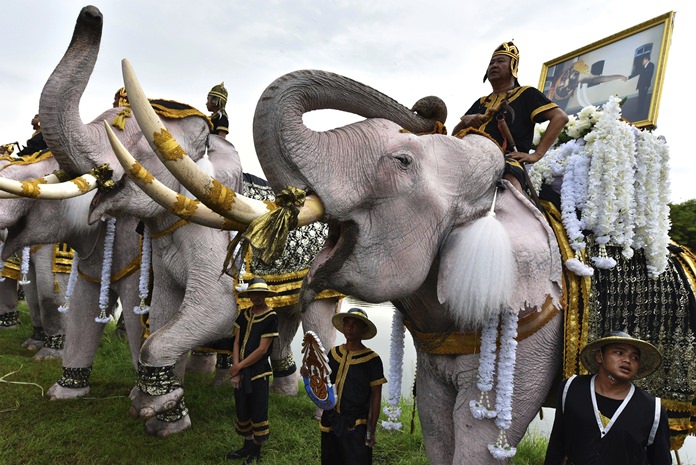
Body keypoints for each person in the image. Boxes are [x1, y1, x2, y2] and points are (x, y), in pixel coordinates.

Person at [452, 41, 568, 193]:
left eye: (500, 61)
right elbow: (455, 135)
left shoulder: (526, 94)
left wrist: (537, 154)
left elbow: (560, 117)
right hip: (469, 159)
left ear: (513, 67)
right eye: (491, 63)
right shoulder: (481, 102)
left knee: (510, 184)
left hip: (506, 159)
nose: (494, 65)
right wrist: (465, 121)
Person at [543, 331, 671, 465]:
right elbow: (557, 442)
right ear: (600, 357)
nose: (628, 360)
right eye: (619, 353)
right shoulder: (572, 388)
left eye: (635, 357)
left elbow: (661, 459)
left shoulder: (651, 409)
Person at [311, 307, 387, 465]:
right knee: (331, 458)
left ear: (364, 329)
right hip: (331, 419)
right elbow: (324, 383)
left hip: (356, 424)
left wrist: (371, 429)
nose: (350, 328)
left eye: (355, 324)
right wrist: (309, 374)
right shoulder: (333, 353)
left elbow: (376, 396)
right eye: (347, 323)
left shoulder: (372, 360)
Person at [226, 277, 279, 464]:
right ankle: (246, 445)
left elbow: (263, 349)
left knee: (258, 408)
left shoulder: (271, 317)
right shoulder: (244, 313)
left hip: (259, 371)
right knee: (242, 407)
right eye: (253, 293)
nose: (256, 297)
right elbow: (237, 342)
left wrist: (238, 366)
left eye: (260, 294)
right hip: (241, 370)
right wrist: (236, 369)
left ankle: (256, 450)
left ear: (265, 295)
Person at [628, 54, 655, 120]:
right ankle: (638, 111)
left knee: (643, 99)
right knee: (640, 98)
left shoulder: (651, 65)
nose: (642, 61)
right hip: (640, 85)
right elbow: (636, 73)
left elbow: (649, 75)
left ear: (647, 59)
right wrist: (629, 77)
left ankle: (642, 112)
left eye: (643, 60)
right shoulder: (642, 67)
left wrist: (646, 85)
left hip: (645, 85)